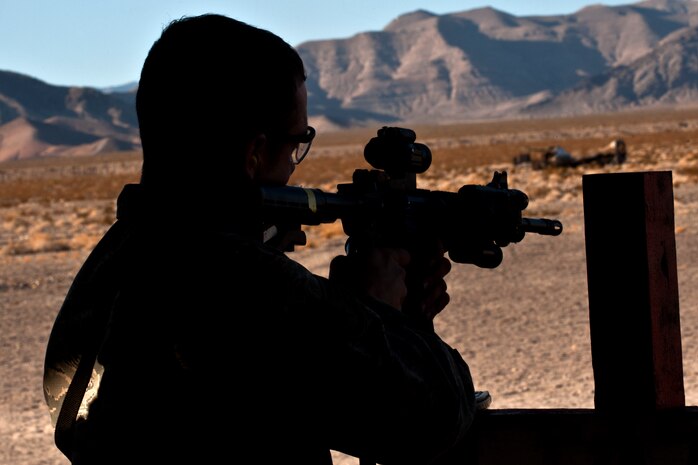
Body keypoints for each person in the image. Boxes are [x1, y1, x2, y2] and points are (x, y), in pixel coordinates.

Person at [43, 13, 478, 465]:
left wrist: (354, 315)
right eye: (294, 145)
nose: (294, 166)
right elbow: (433, 416)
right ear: (253, 153)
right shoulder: (239, 279)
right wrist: (379, 314)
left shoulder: (117, 256)